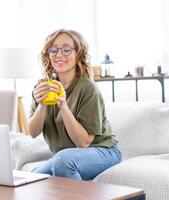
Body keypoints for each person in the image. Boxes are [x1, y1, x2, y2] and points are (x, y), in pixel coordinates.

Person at [28, 29, 122, 180]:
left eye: (66, 49)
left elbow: (84, 143)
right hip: (67, 154)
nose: (59, 55)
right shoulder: (43, 87)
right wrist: (42, 105)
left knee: (63, 160)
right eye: (53, 50)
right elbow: (32, 132)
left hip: (103, 151)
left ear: (77, 53)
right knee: (33, 178)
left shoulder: (87, 88)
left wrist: (63, 106)